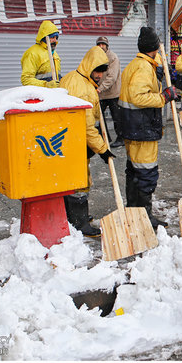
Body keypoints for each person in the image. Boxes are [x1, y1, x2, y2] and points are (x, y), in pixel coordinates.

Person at [119, 27, 176, 229]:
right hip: (142, 127)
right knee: (145, 171)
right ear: (154, 49)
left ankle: (134, 209)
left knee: (134, 170)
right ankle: (144, 214)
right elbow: (138, 96)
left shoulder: (134, 65)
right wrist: (164, 97)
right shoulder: (143, 68)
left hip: (132, 126)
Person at [59, 46, 115, 237]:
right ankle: (79, 223)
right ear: (89, 65)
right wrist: (103, 149)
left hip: (66, 139)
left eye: (102, 71)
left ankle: (73, 216)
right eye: (97, 70)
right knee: (80, 181)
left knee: (71, 179)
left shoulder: (73, 78)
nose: (99, 75)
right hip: (76, 140)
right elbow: (87, 126)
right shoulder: (82, 89)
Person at [95, 36, 124, 148]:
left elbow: (111, 77)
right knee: (99, 116)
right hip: (101, 93)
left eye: (103, 44)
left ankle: (121, 138)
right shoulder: (96, 57)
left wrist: (100, 88)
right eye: (99, 44)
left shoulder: (112, 58)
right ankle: (105, 137)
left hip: (112, 93)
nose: (101, 47)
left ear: (107, 46)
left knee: (117, 116)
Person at [21, 21, 61, 88]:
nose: (55, 40)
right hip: (40, 94)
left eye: (56, 38)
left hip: (54, 93)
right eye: (52, 37)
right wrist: (46, 85)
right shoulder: (32, 53)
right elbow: (26, 79)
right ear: (44, 38)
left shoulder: (53, 53)